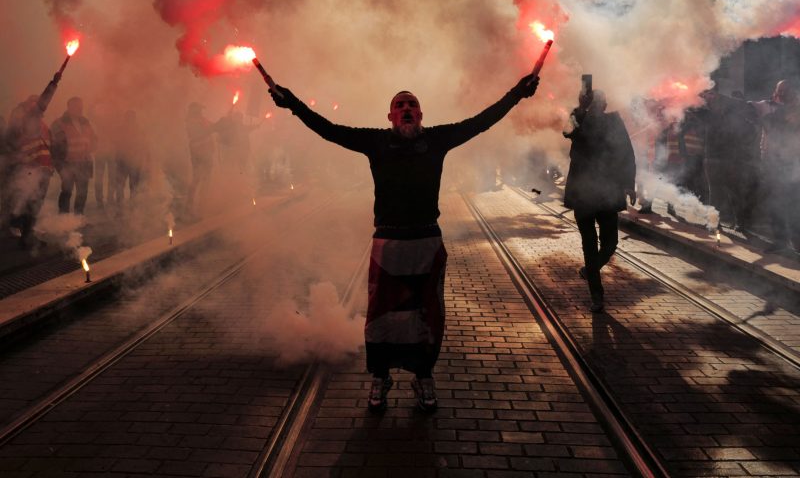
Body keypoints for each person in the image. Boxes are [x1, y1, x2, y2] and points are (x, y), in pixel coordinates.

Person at [268, 72, 540, 412]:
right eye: (400, 105)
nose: (407, 108)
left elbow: (483, 120)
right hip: (389, 244)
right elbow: (328, 129)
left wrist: (518, 92)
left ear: (421, 115)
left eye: (412, 104)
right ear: (391, 116)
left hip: (427, 240)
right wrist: (290, 102)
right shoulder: (376, 142)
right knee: (381, 316)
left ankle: (424, 376)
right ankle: (380, 377)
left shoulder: (439, 139)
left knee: (428, 315)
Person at [563, 90, 636, 313]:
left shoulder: (614, 121)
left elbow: (627, 153)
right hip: (583, 192)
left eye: (600, 103)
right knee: (589, 244)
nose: (599, 106)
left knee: (610, 243)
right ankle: (597, 294)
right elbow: (568, 132)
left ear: (605, 105)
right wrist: (581, 110)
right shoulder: (578, 118)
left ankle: (590, 270)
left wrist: (629, 184)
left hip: (607, 191)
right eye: (594, 103)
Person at [5, 73, 61, 247]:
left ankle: (28, 234)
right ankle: (25, 236)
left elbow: (48, 147)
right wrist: (54, 83)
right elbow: (43, 103)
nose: (38, 106)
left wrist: (52, 167)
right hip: (32, 170)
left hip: (42, 171)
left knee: (35, 204)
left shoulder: (42, 125)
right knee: (30, 203)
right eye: (34, 103)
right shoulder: (29, 119)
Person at [751, 80, 800, 252]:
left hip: (791, 165)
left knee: (792, 205)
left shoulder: (793, 111)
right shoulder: (776, 109)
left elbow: (777, 129)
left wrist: (764, 114)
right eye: (778, 91)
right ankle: (781, 241)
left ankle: (794, 242)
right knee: (775, 203)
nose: (779, 95)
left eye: (783, 92)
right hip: (774, 164)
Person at [51, 97, 97, 215]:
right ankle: (63, 217)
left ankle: (78, 217)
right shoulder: (59, 123)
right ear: (69, 107)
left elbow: (93, 138)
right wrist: (59, 165)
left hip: (84, 163)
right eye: (76, 106)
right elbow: (53, 145)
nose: (79, 109)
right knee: (67, 191)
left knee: (82, 192)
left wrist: (92, 146)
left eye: (81, 106)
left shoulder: (85, 122)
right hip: (67, 163)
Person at [185, 102, 218, 217]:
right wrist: (214, 128)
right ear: (194, 110)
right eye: (199, 109)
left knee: (206, 180)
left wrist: (221, 123)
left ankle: (202, 206)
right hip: (198, 153)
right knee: (197, 178)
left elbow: (213, 126)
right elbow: (202, 132)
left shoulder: (202, 119)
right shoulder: (191, 122)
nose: (201, 111)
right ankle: (190, 206)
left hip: (207, 152)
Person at [115, 110, 148, 204]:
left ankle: (130, 207)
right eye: (129, 117)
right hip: (124, 161)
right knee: (122, 186)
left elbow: (144, 146)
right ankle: (123, 207)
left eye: (132, 117)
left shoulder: (139, 130)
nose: (130, 120)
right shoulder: (121, 130)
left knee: (132, 186)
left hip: (133, 162)